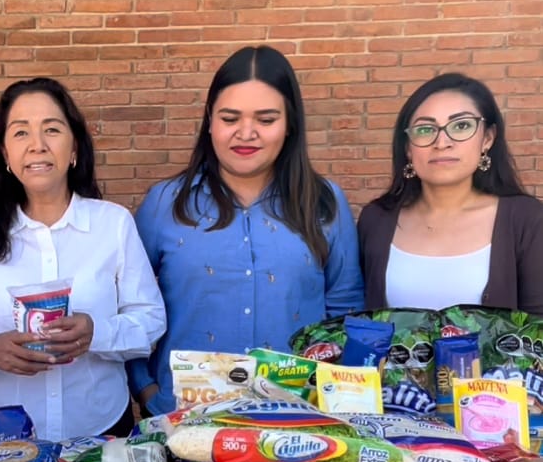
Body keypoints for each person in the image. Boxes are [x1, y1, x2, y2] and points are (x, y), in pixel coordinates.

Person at [129, 46, 365, 415]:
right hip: (183, 420)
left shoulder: (324, 202)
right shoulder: (165, 204)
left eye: (266, 119)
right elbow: (130, 305)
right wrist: (146, 389)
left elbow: (346, 312)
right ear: (210, 120)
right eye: (230, 118)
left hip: (297, 421)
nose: (246, 133)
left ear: (289, 125)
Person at [0, 77, 164, 440]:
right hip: (3, 435)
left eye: (52, 129)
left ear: (74, 147)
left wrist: (97, 333)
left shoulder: (113, 224)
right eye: (21, 132)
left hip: (99, 427)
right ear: (4, 153)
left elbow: (150, 320)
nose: (37, 145)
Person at [359, 73, 543, 315]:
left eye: (462, 126)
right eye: (425, 129)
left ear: (487, 139)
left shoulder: (526, 220)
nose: (442, 142)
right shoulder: (376, 219)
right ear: (408, 148)